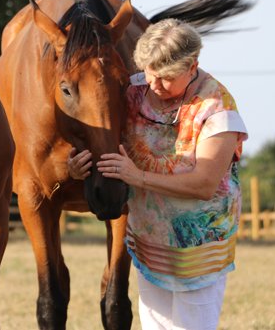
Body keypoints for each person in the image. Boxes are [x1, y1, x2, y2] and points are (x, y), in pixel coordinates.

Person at [67, 18, 248, 330]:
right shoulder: (133, 90)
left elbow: (205, 184)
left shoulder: (217, 107)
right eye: (150, 74)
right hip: (149, 241)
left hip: (197, 246)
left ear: (192, 66)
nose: (155, 85)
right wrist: (76, 167)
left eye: (166, 78)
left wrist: (137, 177)